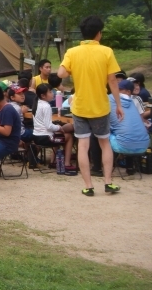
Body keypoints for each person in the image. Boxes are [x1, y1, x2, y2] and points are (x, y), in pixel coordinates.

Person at [57, 15, 123, 196]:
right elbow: (112, 81)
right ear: (98, 33)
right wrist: (118, 104)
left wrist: (72, 67)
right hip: (100, 106)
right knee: (104, 143)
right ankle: (108, 182)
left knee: (83, 145)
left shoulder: (72, 52)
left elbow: (61, 73)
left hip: (80, 107)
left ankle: (88, 186)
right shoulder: (106, 52)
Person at [109, 79, 150, 175]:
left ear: (128, 91)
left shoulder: (110, 99)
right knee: (127, 132)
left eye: (120, 89)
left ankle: (98, 167)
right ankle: (130, 167)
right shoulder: (133, 102)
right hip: (144, 146)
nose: (117, 91)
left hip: (123, 145)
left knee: (100, 135)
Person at [32, 84, 76, 171]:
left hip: (37, 136)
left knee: (59, 134)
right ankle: (67, 163)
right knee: (69, 137)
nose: (53, 94)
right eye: (50, 92)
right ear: (43, 95)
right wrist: (59, 127)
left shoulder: (37, 104)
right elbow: (48, 126)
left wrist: (58, 128)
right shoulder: (46, 106)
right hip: (45, 137)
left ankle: (53, 162)